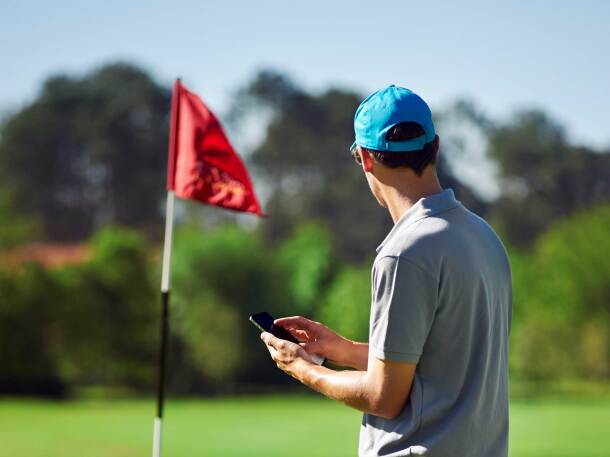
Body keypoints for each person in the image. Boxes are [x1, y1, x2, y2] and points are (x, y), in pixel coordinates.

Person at [260, 85, 512, 457]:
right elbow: (437, 367)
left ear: (365, 158)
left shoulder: (405, 251)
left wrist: (302, 368)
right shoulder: (484, 236)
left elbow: (384, 397)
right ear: (435, 147)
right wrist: (344, 351)